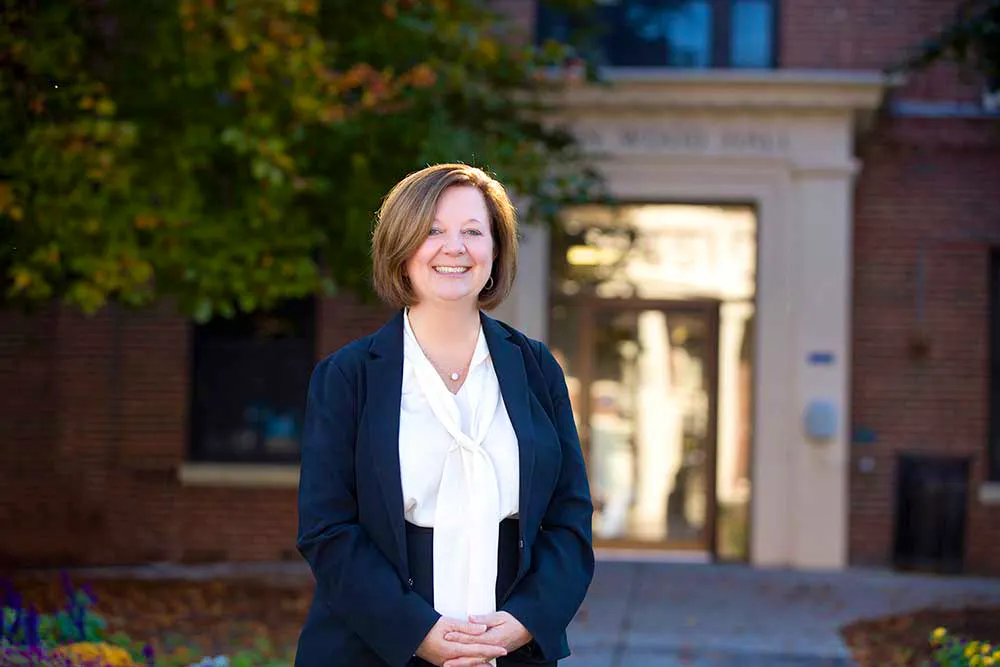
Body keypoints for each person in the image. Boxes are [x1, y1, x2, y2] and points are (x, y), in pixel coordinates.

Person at [295, 163, 595, 667]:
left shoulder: (537, 368)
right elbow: (327, 530)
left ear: (495, 251)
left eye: (472, 232)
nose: (453, 247)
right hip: (374, 645)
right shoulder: (348, 377)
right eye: (432, 231)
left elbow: (570, 520)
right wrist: (417, 631)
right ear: (401, 248)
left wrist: (526, 620)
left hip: (508, 646)